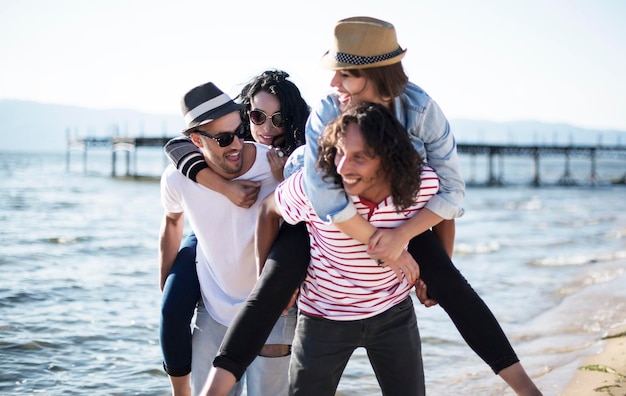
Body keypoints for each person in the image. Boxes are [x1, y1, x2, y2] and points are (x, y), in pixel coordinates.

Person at [200, 16, 543, 396]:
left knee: (450, 283)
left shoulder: (421, 111)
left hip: (395, 205)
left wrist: (410, 247)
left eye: (344, 74)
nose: (332, 83)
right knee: (274, 286)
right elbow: (324, 196)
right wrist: (388, 246)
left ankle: (526, 388)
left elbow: (449, 194)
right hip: (319, 207)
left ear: (376, 73)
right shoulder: (329, 112)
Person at [206, 102, 434, 395]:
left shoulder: (418, 184)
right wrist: (271, 279)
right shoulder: (312, 187)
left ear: (387, 159)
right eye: (340, 153)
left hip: (392, 313)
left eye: (359, 157)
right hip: (324, 316)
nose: (343, 167)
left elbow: (444, 209)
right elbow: (267, 210)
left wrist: (433, 272)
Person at [159, 70, 310, 396]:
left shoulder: (287, 163)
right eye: (256, 117)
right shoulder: (180, 176)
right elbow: (172, 221)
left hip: (274, 308)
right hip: (214, 310)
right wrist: (166, 283)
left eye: (277, 119)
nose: (261, 132)